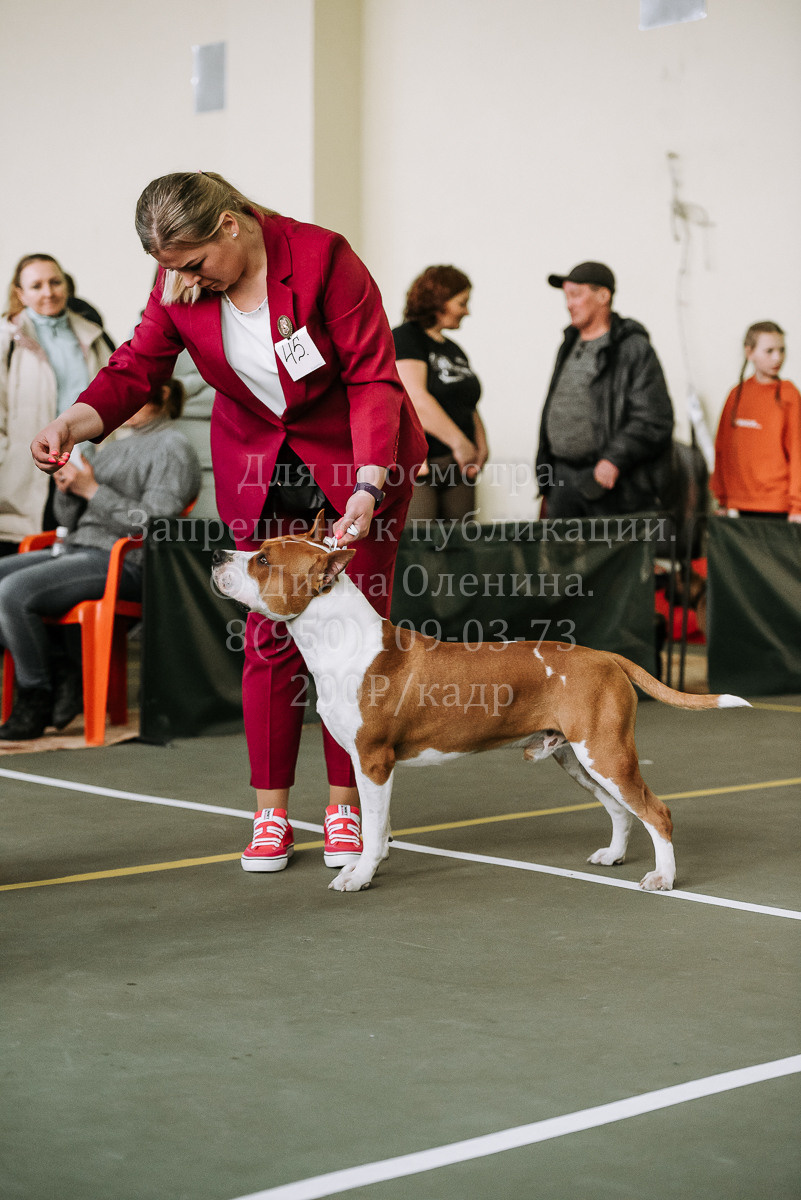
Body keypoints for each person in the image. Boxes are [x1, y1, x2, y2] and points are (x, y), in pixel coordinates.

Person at [30, 170, 427, 872]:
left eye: (192, 264)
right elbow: (133, 369)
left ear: (231, 227)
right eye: (169, 269)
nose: (183, 281)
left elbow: (372, 376)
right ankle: (270, 813)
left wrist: (368, 484)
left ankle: (343, 808)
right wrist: (72, 421)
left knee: (351, 643)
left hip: (355, 465)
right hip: (261, 467)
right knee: (267, 636)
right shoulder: (177, 280)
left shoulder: (322, 259)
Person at [0, 379, 200, 741]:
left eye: (131, 399)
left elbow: (156, 525)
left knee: (12, 591)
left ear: (162, 394)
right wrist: (67, 487)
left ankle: (35, 697)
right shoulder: (109, 446)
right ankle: (63, 674)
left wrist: (91, 489)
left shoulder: (172, 446)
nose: (120, 407)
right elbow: (69, 521)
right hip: (78, 549)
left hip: (124, 561)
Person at [536, 261, 674, 518]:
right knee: (560, 556)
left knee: (610, 557)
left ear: (603, 296)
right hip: (561, 478)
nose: (569, 304)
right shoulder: (568, 343)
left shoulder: (633, 348)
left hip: (610, 485)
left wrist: (613, 459)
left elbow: (654, 418)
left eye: (576, 295)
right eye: (566, 296)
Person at [0, 254, 113, 555]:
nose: (48, 292)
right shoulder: (6, 340)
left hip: (85, 469)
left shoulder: (93, 336)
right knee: (19, 563)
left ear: (67, 285)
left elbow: (114, 402)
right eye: (36, 286)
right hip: (23, 476)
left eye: (55, 282)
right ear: (20, 294)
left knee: (72, 561)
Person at [393, 265, 488, 521]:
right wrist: (461, 443)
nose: (467, 311)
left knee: (461, 547)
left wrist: (480, 445)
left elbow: (467, 401)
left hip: (459, 466)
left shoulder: (454, 349)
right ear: (438, 301)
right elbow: (415, 399)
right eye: (462, 302)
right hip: (423, 466)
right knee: (424, 549)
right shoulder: (406, 338)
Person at [710, 321, 801, 522]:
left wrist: (797, 506)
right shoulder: (736, 395)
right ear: (749, 353)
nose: (777, 357)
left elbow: (797, 450)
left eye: (782, 350)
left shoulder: (789, 394)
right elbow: (722, 449)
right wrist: (722, 498)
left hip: (779, 506)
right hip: (741, 504)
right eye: (769, 351)